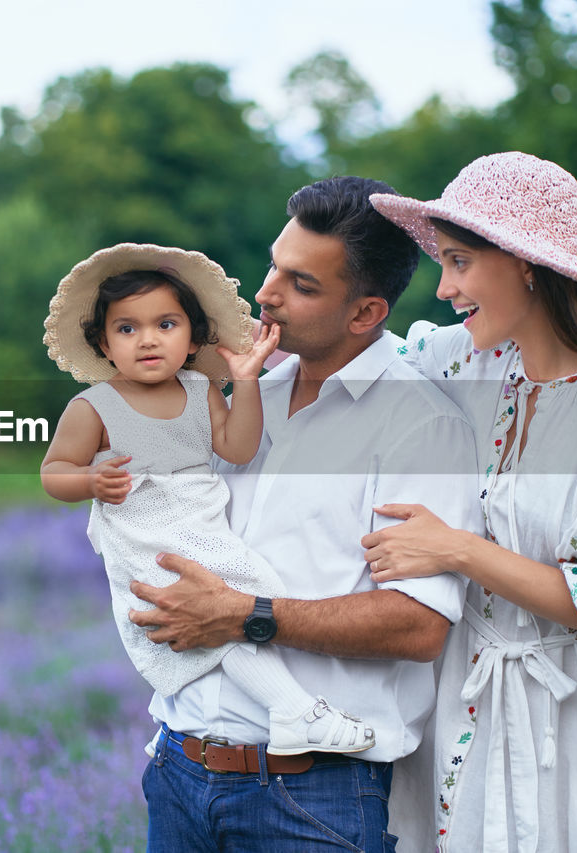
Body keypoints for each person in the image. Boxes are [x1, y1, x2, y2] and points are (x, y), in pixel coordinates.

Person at [125, 178, 484, 852]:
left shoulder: (420, 424)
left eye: (301, 284)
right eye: (273, 265)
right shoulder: (247, 391)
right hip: (178, 770)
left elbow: (418, 623)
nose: (266, 293)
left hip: (310, 798)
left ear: (365, 311)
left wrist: (243, 613)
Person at [359, 151, 577, 851]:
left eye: (460, 262)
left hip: (567, 730)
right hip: (456, 708)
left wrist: (457, 548)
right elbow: (359, 353)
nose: (444, 287)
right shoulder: (461, 361)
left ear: (526, 265)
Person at [40, 243, 376, 756]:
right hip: (145, 534)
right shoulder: (94, 406)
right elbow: (54, 472)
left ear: (193, 336)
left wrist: (244, 383)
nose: (146, 340)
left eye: (165, 325)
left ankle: (190, 719)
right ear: (104, 345)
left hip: (199, 521)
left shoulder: (201, 392)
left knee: (232, 604)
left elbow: (237, 447)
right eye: (126, 329)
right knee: (207, 616)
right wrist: (88, 482)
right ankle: (292, 711)